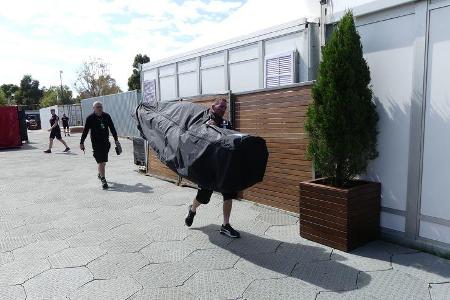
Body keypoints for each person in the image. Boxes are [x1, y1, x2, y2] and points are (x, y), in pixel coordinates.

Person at [184, 98, 240, 238]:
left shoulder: (227, 123)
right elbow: (195, 140)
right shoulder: (204, 122)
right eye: (220, 107)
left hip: (223, 165)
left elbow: (232, 139)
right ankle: (192, 209)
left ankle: (225, 225)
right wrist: (208, 128)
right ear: (213, 107)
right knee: (203, 197)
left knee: (229, 193)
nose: (223, 109)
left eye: (224, 108)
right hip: (208, 167)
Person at [80, 101, 121, 189]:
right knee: (101, 161)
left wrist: (116, 140)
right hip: (96, 143)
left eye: (101, 107)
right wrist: (81, 142)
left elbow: (112, 128)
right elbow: (85, 131)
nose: (99, 108)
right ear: (93, 108)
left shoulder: (106, 116)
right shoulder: (90, 118)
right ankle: (103, 179)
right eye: (97, 107)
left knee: (103, 161)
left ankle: (100, 173)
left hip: (106, 142)